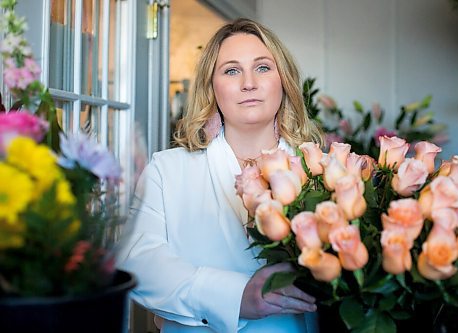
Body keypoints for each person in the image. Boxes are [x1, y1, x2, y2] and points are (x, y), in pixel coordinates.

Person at [118, 18, 324, 333]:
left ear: (284, 80)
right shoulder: (167, 170)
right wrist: (236, 296)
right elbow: (139, 261)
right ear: (211, 88)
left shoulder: (323, 172)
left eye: (263, 67)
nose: (249, 83)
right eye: (231, 70)